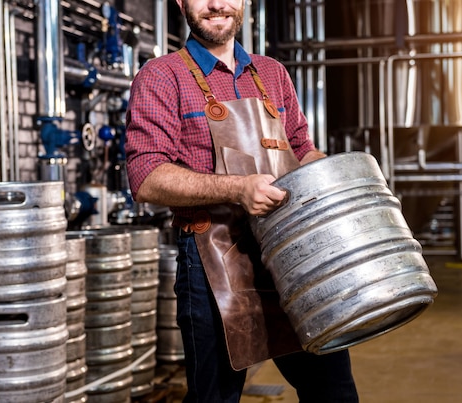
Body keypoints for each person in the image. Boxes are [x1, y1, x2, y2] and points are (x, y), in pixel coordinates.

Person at [125, 0, 359, 401]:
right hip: (211, 260)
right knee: (215, 396)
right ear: (181, 2)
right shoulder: (162, 76)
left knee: (333, 388)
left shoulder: (272, 73)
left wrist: (331, 173)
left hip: (291, 255)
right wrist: (237, 188)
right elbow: (146, 177)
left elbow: (302, 148)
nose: (217, 3)